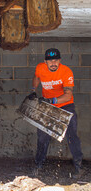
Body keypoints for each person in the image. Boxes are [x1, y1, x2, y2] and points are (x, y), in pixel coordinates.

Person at [27, 48, 83, 178]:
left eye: (56, 60)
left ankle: (78, 167)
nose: (53, 63)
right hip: (48, 106)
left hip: (65, 106)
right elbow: (37, 77)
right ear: (45, 62)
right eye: (50, 61)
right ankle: (39, 165)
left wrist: (51, 100)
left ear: (60, 61)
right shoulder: (40, 68)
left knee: (71, 136)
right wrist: (33, 90)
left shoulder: (66, 72)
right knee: (42, 136)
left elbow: (68, 96)